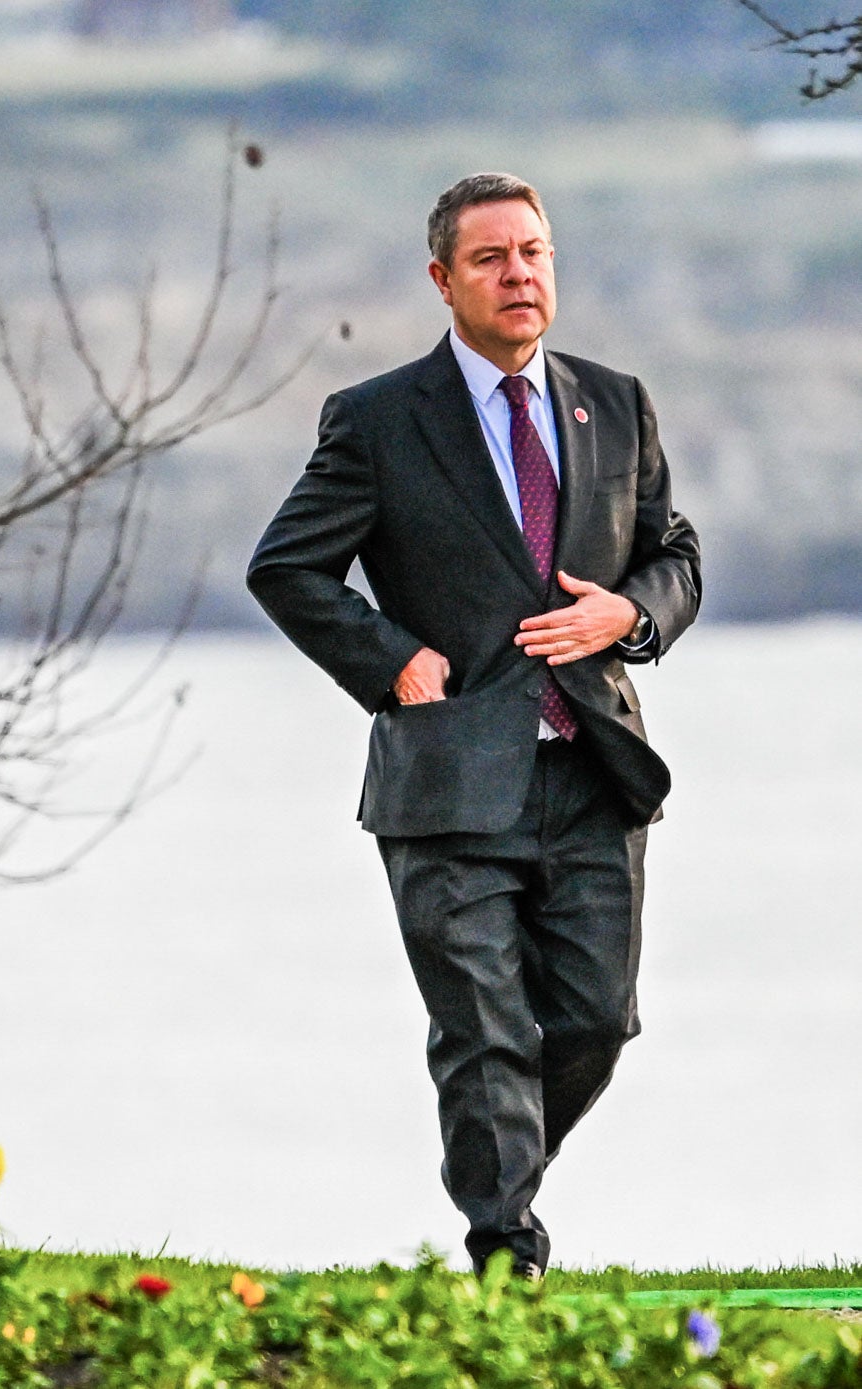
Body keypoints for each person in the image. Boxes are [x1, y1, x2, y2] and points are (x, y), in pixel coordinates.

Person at [247, 172, 701, 1277]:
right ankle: (507, 1252)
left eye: (535, 253)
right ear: (443, 278)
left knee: (594, 1022)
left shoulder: (616, 402)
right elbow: (287, 567)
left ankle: (499, 1172)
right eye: (492, 258)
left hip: (595, 768)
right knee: (485, 1032)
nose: (520, 274)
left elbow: (675, 554)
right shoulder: (376, 419)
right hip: (449, 776)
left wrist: (629, 613)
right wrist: (390, 658)